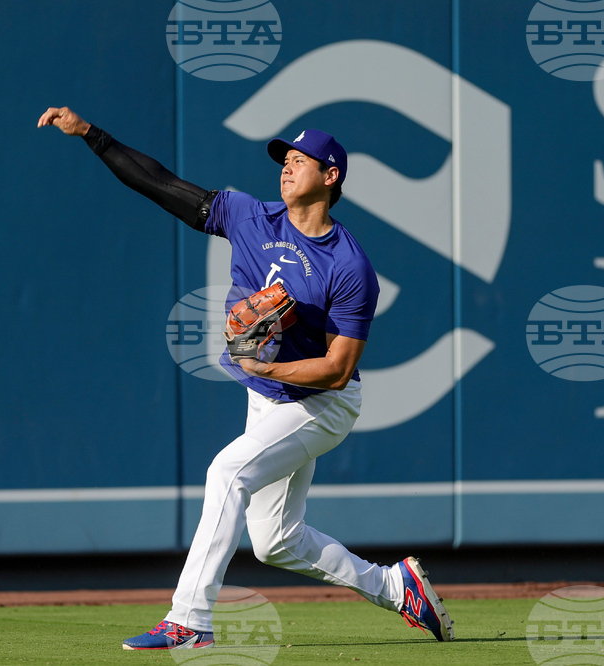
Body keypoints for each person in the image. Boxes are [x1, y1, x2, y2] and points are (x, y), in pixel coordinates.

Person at [37, 107, 455, 649]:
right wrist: (93, 135)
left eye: (300, 161)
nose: (285, 168)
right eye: (284, 159)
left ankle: (189, 619)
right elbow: (160, 185)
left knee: (227, 473)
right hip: (267, 397)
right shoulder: (247, 216)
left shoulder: (349, 266)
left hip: (319, 405)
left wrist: (265, 366)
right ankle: (397, 587)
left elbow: (338, 368)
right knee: (276, 542)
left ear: (330, 178)